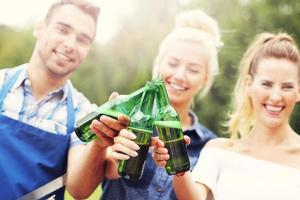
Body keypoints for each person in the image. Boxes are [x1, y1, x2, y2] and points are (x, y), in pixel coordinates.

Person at [0, 0, 128, 199]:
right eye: (62, 29)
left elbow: (79, 190)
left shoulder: (85, 114)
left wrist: (99, 143)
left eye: (83, 40)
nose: (70, 44)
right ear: (40, 28)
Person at [153, 32, 300, 200]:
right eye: (266, 84)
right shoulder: (217, 150)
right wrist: (176, 160)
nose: (275, 96)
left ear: (298, 90)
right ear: (249, 84)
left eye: (287, 87)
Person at [97, 9, 222, 199]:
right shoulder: (126, 119)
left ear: (206, 79)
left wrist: (179, 167)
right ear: (159, 64)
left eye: (193, 69)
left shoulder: (210, 146)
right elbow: (103, 170)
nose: (180, 75)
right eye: (173, 63)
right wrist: (116, 154)